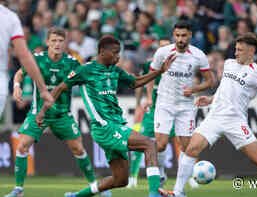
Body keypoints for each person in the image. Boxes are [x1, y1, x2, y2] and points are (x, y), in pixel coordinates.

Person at [159, 33, 257, 197]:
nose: (235, 53)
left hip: (236, 121)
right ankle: (178, 192)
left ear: (251, 51)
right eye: (235, 49)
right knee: (191, 150)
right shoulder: (229, 64)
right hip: (215, 117)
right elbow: (225, 88)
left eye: (240, 50)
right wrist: (210, 99)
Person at [36, 35, 175, 197]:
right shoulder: (85, 70)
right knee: (149, 145)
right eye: (115, 53)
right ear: (102, 52)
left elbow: (136, 82)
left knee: (120, 180)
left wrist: (160, 71)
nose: (118, 57)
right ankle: (154, 193)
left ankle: (76, 196)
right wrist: (42, 111)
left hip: (116, 125)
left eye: (119, 53)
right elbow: (59, 88)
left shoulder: (115, 70)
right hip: (105, 127)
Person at [5, 27, 111, 197]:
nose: (57, 44)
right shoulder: (37, 59)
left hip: (62, 114)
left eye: (61, 41)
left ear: (65, 43)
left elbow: (86, 81)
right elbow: (19, 74)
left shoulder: (72, 62)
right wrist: (17, 87)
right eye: (53, 41)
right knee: (23, 145)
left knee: (78, 148)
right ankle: (18, 189)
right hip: (38, 113)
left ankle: (94, 187)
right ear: (47, 42)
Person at [128, 38, 198, 189]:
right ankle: (133, 178)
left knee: (183, 142)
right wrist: (141, 102)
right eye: (161, 47)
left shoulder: (183, 63)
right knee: (145, 141)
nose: (164, 50)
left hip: (175, 108)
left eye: (167, 47)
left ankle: (192, 176)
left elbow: (192, 82)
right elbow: (142, 82)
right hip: (153, 110)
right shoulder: (150, 64)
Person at [150, 20, 213, 187]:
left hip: (185, 106)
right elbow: (151, 75)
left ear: (190, 36)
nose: (180, 39)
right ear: (173, 35)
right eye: (177, 35)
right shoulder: (162, 52)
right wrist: (149, 97)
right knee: (161, 145)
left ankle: (181, 185)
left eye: (184, 35)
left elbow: (210, 81)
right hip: (164, 103)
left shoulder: (199, 55)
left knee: (187, 147)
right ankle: (160, 175)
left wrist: (194, 89)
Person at [0, 0, 53, 118]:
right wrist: (43, 90)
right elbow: (24, 56)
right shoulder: (8, 17)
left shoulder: (10, 18)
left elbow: (26, 57)